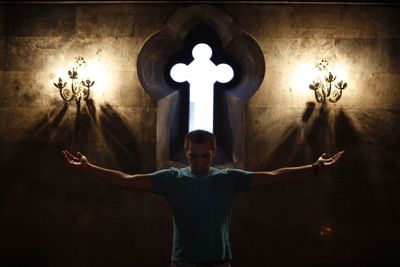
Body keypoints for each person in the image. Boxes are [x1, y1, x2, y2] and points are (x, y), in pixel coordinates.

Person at [63, 129, 344, 267]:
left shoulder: (227, 179)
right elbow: (125, 180)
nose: (199, 161)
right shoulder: (170, 180)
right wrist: (88, 167)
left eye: (205, 155)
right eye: (193, 155)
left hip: (219, 264)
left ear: (214, 152)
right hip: (183, 263)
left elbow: (273, 175)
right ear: (186, 153)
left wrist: (315, 168)